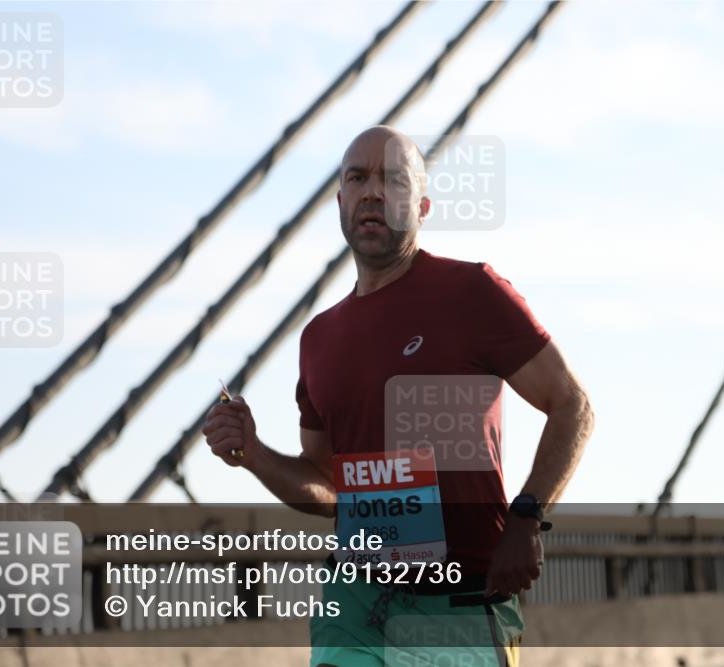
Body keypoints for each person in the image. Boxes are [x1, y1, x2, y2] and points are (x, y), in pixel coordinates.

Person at [203, 125, 595, 667]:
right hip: (355, 599)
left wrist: (527, 517)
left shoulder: (472, 292)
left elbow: (573, 405)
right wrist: (254, 454)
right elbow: (328, 487)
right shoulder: (319, 338)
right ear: (340, 202)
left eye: (393, 180)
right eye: (357, 178)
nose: (372, 192)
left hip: (459, 601)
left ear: (423, 205)